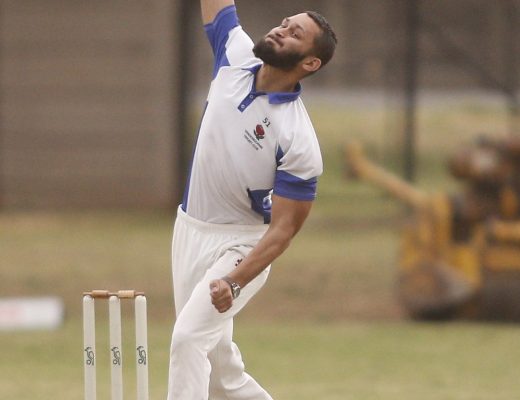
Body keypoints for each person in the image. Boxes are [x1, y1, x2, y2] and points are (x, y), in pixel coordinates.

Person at [167, 1, 337, 398]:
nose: (280, 30)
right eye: (284, 24)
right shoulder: (236, 54)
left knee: (188, 340)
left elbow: (282, 231)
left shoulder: (298, 140)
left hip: (241, 245)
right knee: (219, 374)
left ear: (310, 63)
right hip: (190, 229)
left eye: (294, 33)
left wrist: (235, 280)